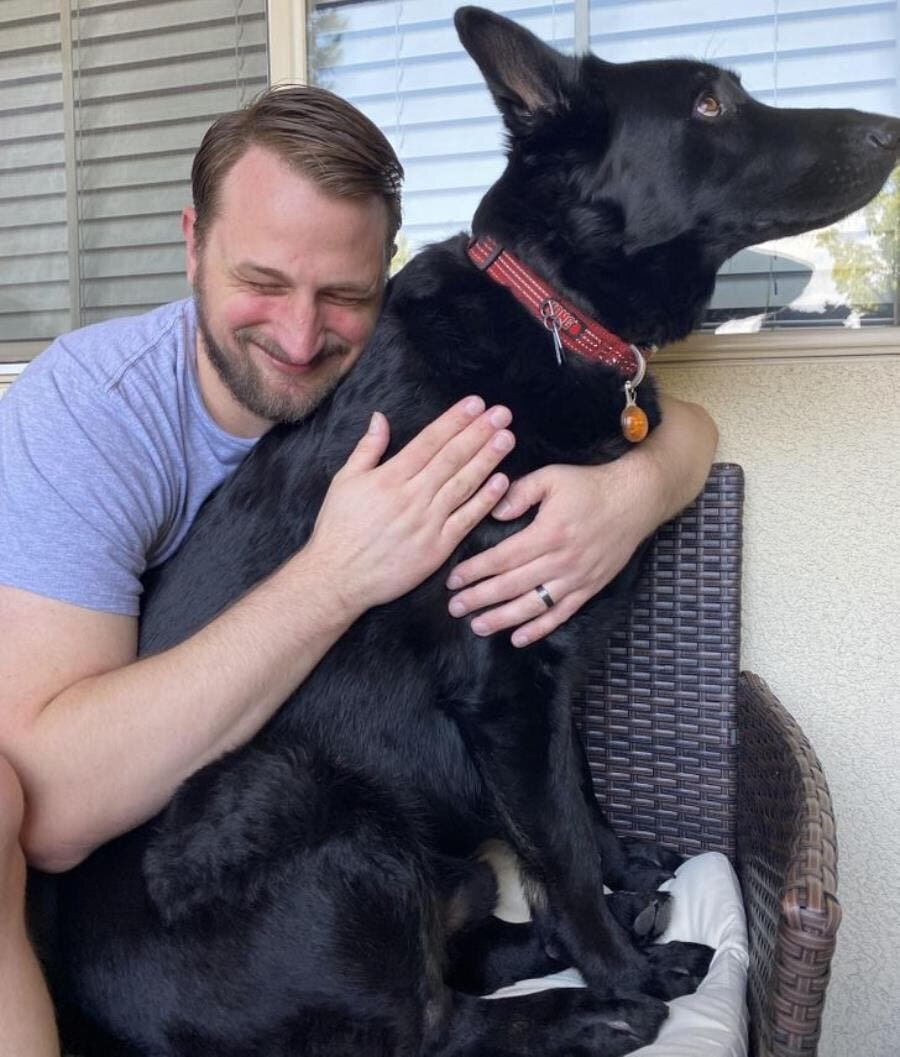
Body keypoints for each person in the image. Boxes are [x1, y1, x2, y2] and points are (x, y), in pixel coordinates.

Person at [0, 84, 717, 1051]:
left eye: (342, 293)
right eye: (262, 280)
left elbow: (643, 400)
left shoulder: (409, 356)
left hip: (367, 848)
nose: (300, 339)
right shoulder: (90, 415)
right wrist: (335, 575)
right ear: (191, 244)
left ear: (387, 270)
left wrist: (641, 488)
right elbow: (51, 806)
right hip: (157, 914)